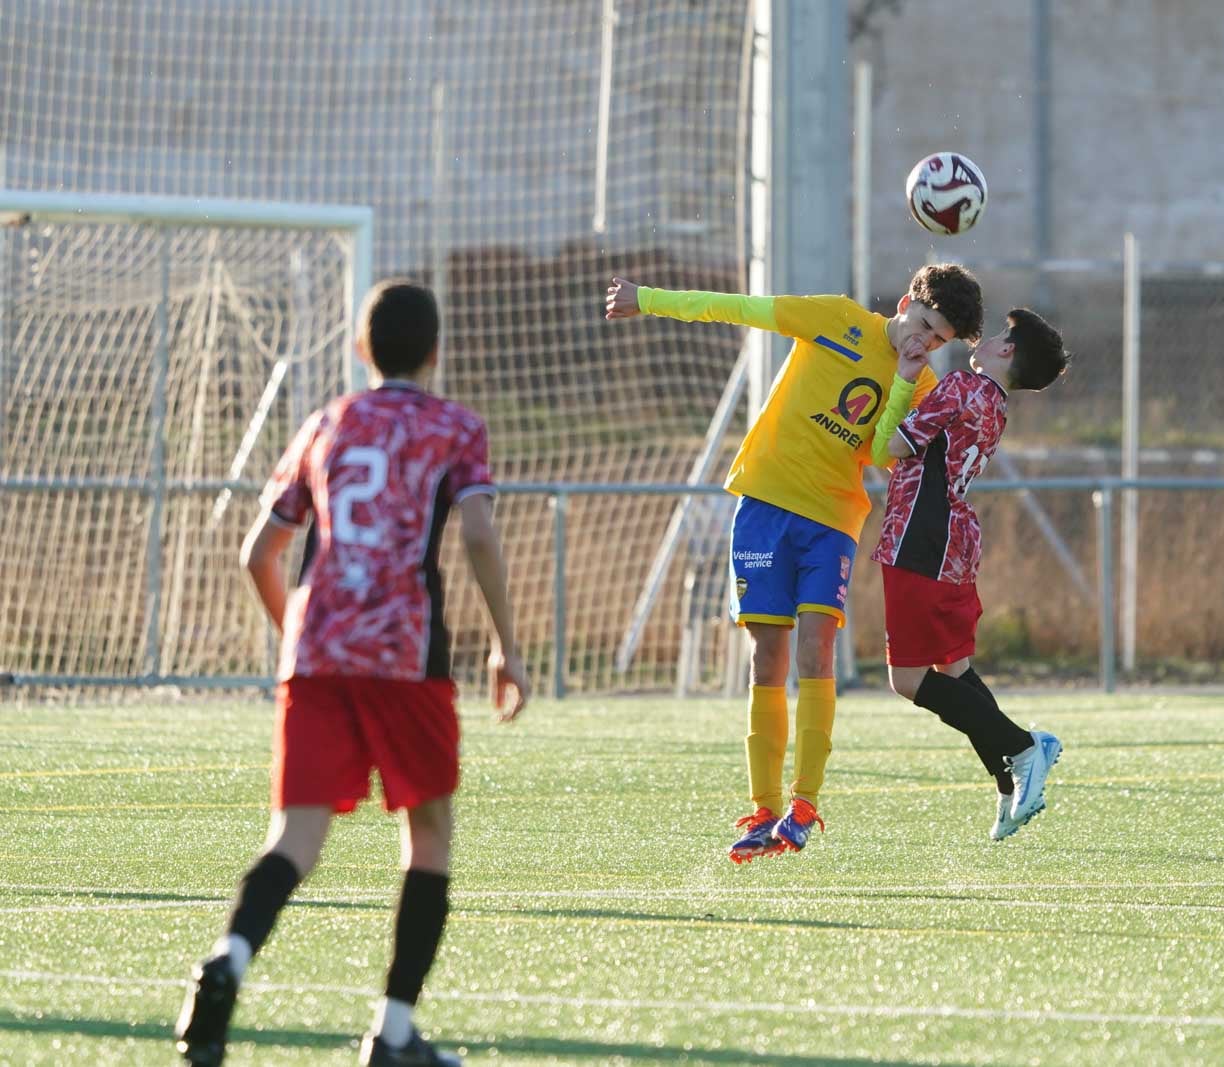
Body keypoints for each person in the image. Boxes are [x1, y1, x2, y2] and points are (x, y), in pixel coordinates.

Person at [175, 280, 531, 1067]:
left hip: (319, 650)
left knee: (296, 836)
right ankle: (394, 1034)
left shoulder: (327, 422)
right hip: (407, 652)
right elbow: (475, 529)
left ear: (362, 349)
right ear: (436, 352)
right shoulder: (455, 426)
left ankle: (228, 956)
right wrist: (506, 642)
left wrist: (301, 638)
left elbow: (256, 553)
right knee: (429, 831)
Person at [605, 265, 983, 861]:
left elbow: (886, 454)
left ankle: (804, 805)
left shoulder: (925, 385)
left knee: (815, 648)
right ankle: (762, 809)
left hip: (831, 520)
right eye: (925, 328)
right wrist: (646, 300)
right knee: (766, 655)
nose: (925, 344)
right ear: (908, 301)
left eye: (938, 343)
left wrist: (907, 382)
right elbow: (738, 308)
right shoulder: (834, 318)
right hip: (763, 503)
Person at [868, 307, 1070, 841]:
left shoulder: (960, 385)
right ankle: (1007, 786)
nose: (990, 338)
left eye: (1002, 335)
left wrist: (905, 379)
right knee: (954, 670)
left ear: (1007, 352)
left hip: (919, 538)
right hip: (956, 543)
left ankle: (1026, 747)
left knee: (907, 681)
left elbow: (887, 448)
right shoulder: (996, 404)